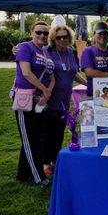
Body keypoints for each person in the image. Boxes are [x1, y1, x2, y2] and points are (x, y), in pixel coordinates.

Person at [13, 21, 55, 187]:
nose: (42, 36)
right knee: (30, 139)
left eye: (45, 33)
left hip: (41, 99)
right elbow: (26, 72)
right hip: (25, 98)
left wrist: (47, 92)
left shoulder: (46, 52)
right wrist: (44, 90)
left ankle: (22, 174)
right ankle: (39, 178)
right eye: (39, 32)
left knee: (34, 137)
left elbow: (52, 76)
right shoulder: (25, 47)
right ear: (32, 32)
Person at [43, 24, 87, 176]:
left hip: (65, 98)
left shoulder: (71, 52)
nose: (62, 39)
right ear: (54, 39)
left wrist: (89, 85)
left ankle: (55, 161)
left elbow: (73, 74)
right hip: (50, 98)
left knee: (59, 132)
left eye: (65, 36)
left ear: (69, 38)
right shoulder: (47, 51)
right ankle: (45, 163)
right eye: (59, 37)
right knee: (49, 133)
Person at [80, 22, 108, 97]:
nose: (103, 36)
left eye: (105, 33)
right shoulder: (88, 51)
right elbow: (89, 72)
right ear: (94, 35)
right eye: (100, 33)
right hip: (94, 94)